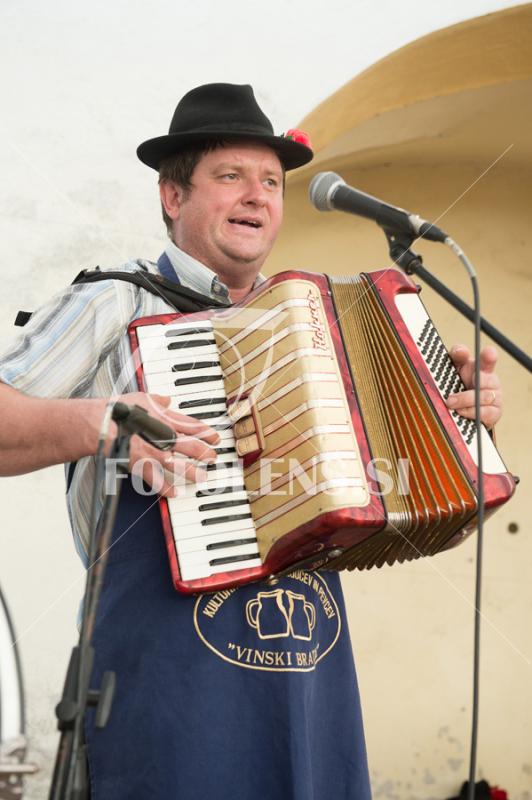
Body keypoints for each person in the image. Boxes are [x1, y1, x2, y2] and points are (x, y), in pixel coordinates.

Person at [0, 83, 502, 799]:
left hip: (308, 680)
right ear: (173, 196)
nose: (256, 196)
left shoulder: (323, 327)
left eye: (271, 182)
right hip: (163, 686)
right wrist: (102, 423)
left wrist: (455, 420)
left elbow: (392, 493)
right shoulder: (116, 301)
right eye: (230, 176)